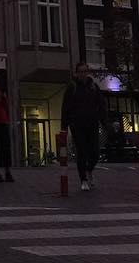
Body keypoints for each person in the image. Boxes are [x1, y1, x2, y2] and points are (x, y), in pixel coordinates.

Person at [61, 62, 107, 191]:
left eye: (84, 71)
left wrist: (104, 122)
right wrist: (64, 126)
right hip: (77, 125)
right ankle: (83, 179)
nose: (82, 74)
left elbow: (101, 106)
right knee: (81, 152)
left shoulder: (93, 87)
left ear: (87, 72)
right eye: (80, 71)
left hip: (92, 124)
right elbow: (65, 108)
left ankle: (89, 170)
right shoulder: (72, 87)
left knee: (95, 153)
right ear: (76, 73)